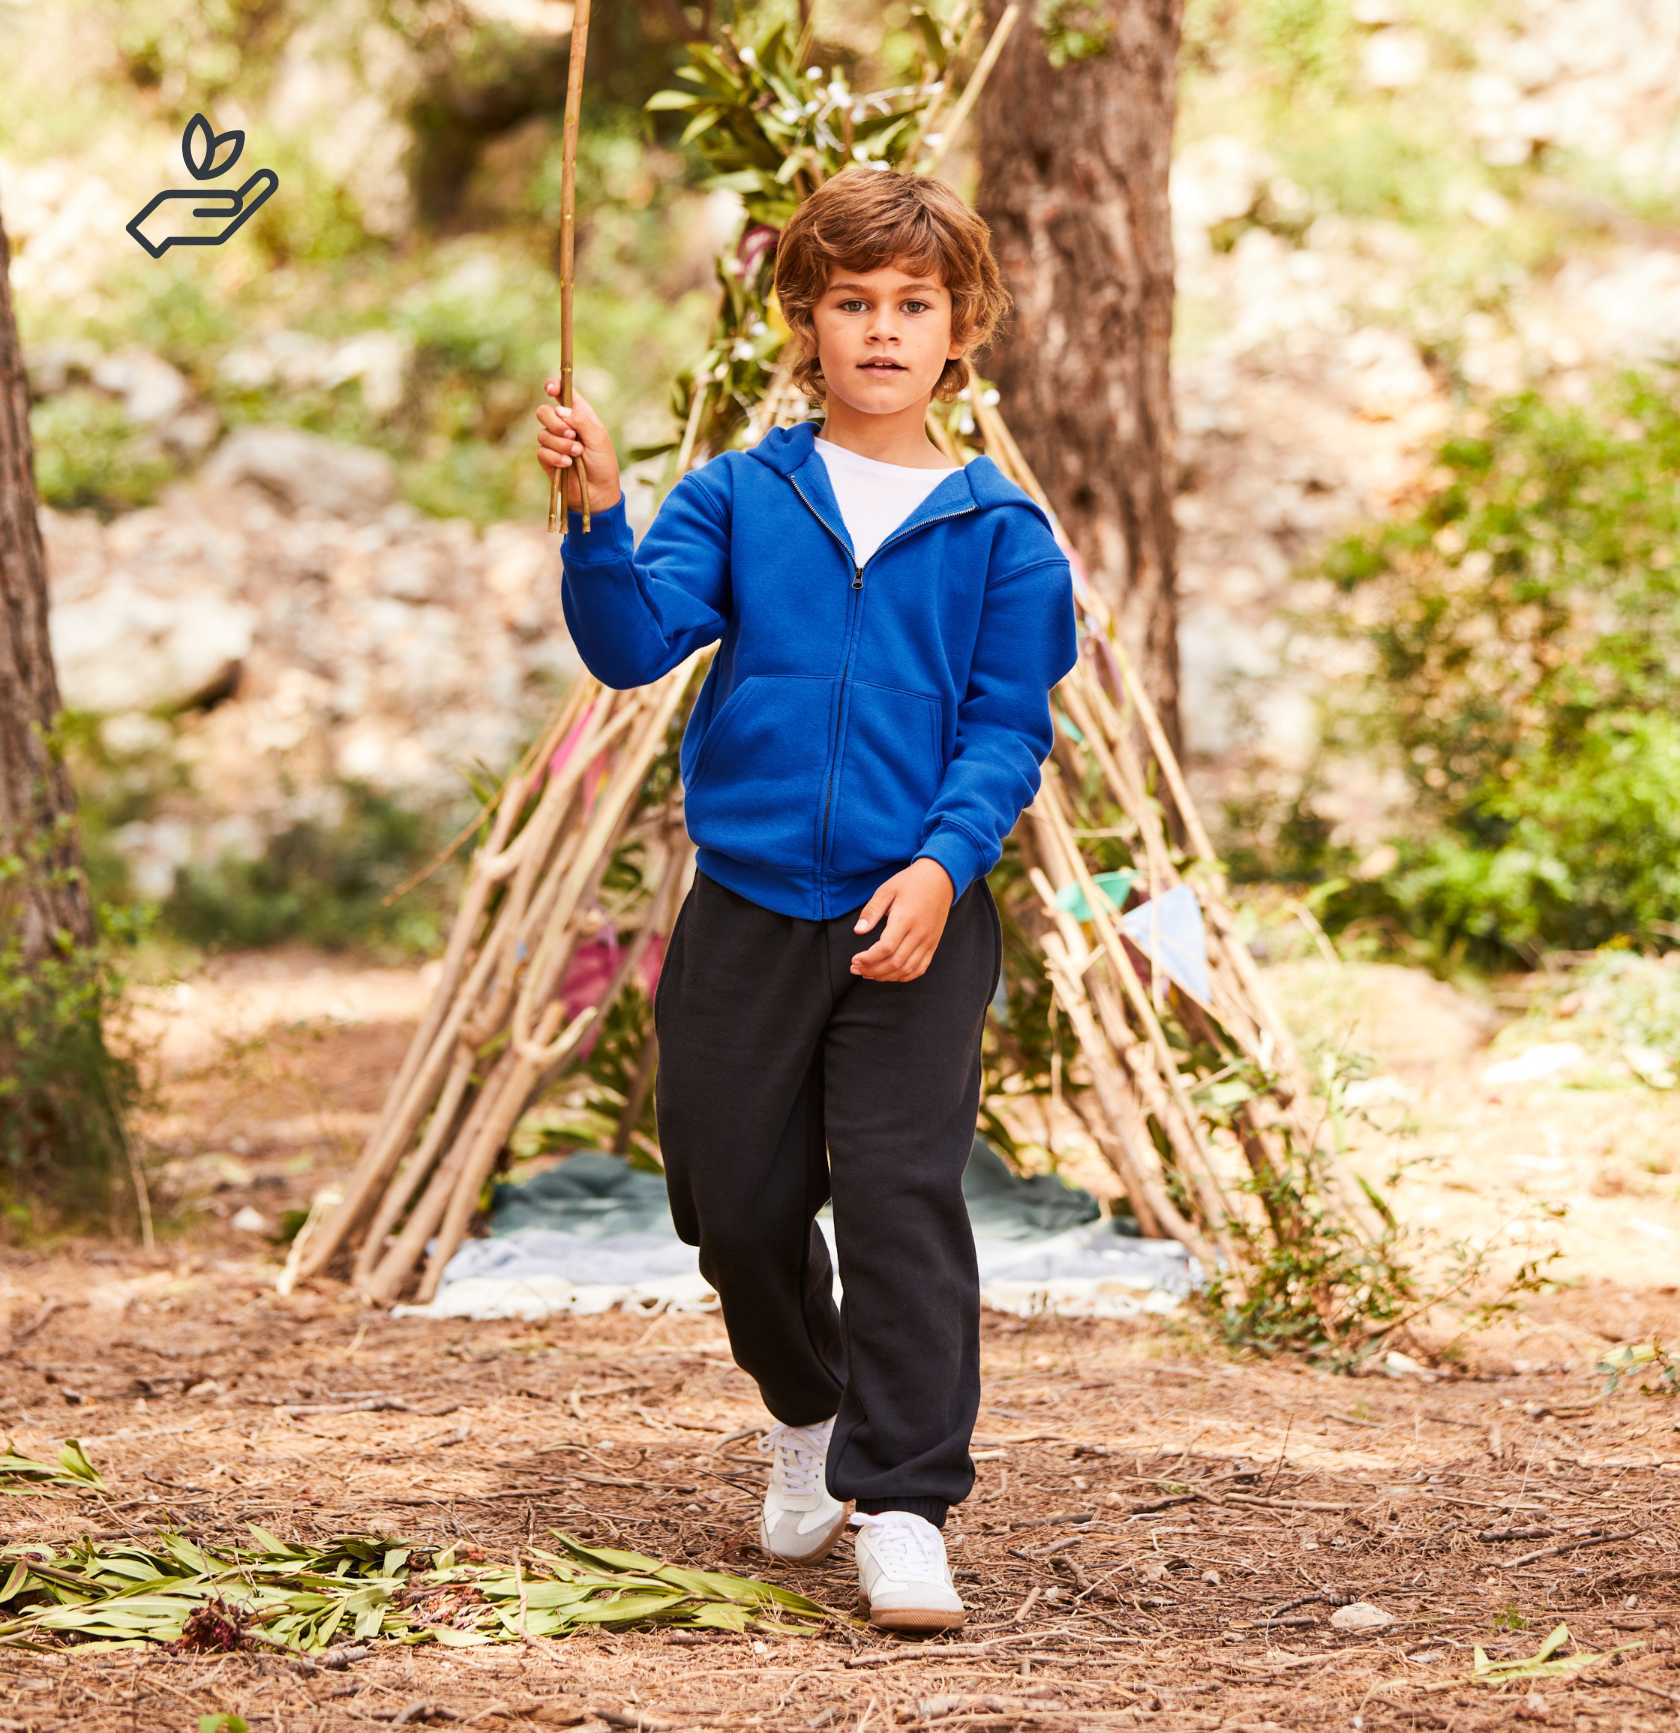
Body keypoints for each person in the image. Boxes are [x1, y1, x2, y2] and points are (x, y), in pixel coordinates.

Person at [534, 165, 1079, 1633]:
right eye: (854, 303)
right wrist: (597, 515)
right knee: (733, 1202)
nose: (884, 331)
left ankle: (904, 1503)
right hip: (751, 905)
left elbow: (1004, 729)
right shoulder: (740, 494)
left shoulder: (1000, 536)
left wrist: (941, 863)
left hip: (913, 913)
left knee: (904, 1202)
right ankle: (807, 1406)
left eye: (914, 305)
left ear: (959, 327)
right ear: (808, 322)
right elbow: (632, 645)